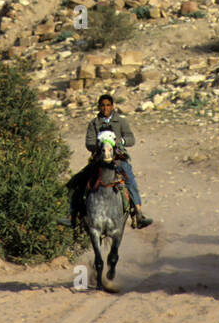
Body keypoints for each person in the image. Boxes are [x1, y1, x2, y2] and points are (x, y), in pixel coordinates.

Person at [59, 94, 153, 230]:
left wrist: (120, 142)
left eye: (108, 105)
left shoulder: (121, 121)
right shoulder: (94, 123)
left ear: (112, 106)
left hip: (118, 159)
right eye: (102, 105)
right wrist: (100, 145)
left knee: (130, 180)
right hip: (99, 160)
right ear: (99, 107)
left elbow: (131, 139)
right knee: (77, 181)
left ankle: (138, 214)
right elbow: (89, 143)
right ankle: (73, 216)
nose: (105, 108)